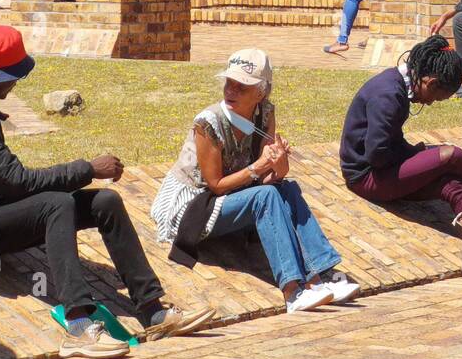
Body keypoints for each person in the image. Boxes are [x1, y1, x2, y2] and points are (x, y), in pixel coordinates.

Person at [0, 26, 216, 358]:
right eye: (12, 75)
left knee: (106, 201)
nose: (16, 82)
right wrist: (87, 169)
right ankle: (78, 325)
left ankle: (152, 311)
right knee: (55, 205)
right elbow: (15, 181)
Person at [152, 49, 360, 313]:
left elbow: (271, 177)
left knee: (287, 189)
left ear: (261, 92)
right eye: (229, 83)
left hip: (235, 194)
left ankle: (323, 275)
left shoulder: (265, 113)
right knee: (267, 197)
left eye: (242, 86)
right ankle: (293, 291)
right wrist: (258, 166)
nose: (231, 91)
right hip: (195, 204)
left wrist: (278, 159)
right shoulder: (208, 123)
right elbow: (215, 185)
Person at [340, 35, 462, 221]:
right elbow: (377, 156)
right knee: (454, 155)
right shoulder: (388, 96)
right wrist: (414, 157)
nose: (430, 103)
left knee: (450, 185)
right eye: (435, 97)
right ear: (430, 83)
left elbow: (390, 140)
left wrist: (414, 154)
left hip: (380, 171)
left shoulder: (396, 83)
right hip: (367, 178)